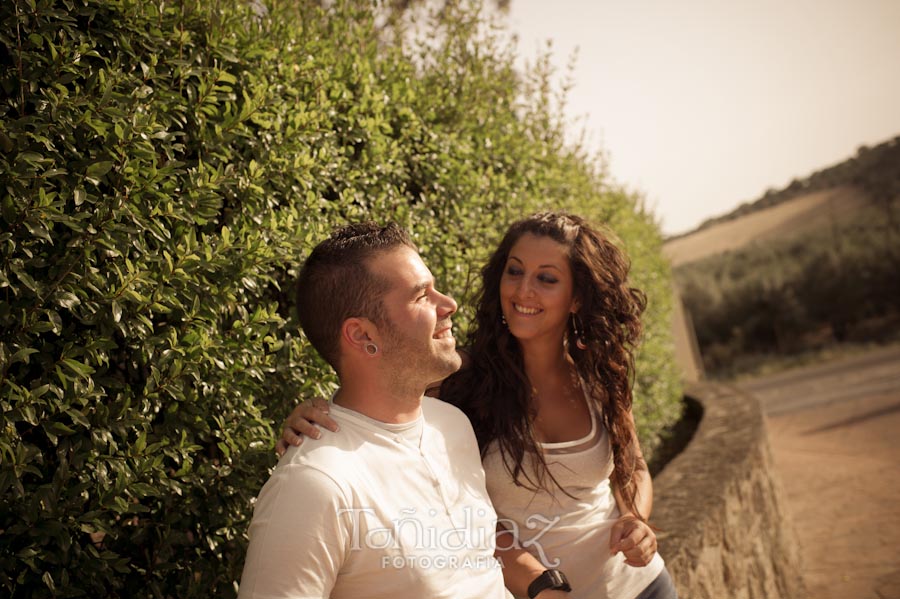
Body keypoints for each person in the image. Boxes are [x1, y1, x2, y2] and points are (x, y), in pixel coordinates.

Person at [280, 212, 678, 599]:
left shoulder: (600, 371)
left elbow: (634, 465)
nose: (523, 290)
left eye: (547, 279)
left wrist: (634, 519)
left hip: (640, 587)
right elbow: (371, 392)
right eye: (515, 271)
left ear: (576, 298)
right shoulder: (458, 379)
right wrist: (313, 414)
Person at [238, 222, 521, 599]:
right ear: (362, 336)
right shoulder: (316, 486)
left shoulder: (450, 425)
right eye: (422, 296)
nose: (449, 304)